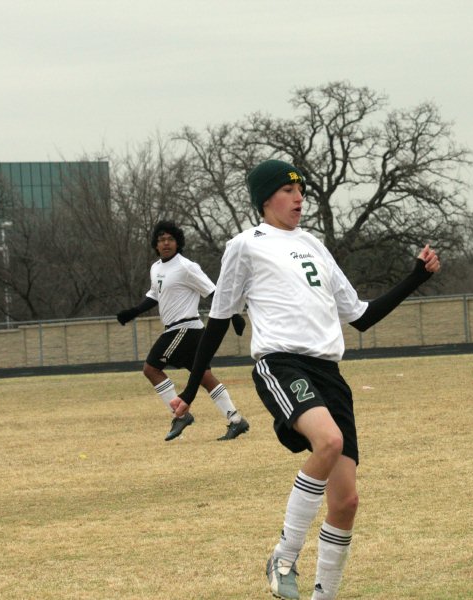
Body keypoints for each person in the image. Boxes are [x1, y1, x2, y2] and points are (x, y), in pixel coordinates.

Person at [171, 159, 441, 600]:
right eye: (287, 190)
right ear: (265, 199)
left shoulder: (315, 244)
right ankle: (283, 555)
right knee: (328, 442)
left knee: (346, 502)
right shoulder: (246, 245)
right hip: (281, 364)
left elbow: (362, 316)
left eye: (301, 191)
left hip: (329, 374)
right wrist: (188, 391)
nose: (299, 198)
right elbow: (218, 321)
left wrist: (416, 276)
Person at [116, 220, 249, 442]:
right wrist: (133, 312)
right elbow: (154, 295)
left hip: (184, 328)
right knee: (205, 378)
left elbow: (213, 292)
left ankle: (180, 414)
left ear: (178, 242)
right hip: (185, 331)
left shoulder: (187, 266)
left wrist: (234, 314)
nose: (165, 243)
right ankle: (236, 420)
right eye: (161, 240)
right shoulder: (156, 268)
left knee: (151, 369)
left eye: (170, 239)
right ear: (156, 245)